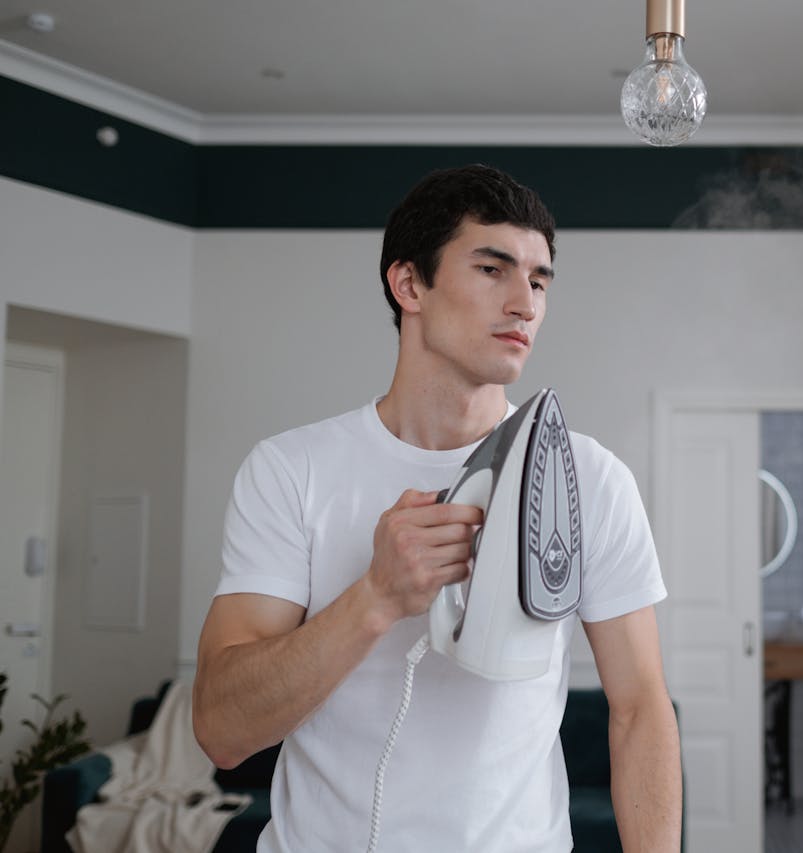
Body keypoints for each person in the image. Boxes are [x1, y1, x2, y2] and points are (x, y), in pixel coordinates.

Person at [191, 164, 682, 852]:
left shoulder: (588, 479)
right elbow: (220, 728)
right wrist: (377, 597)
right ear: (409, 283)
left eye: (539, 280)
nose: (525, 303)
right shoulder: (289, 471)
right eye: (492, 268)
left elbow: (639, 711)